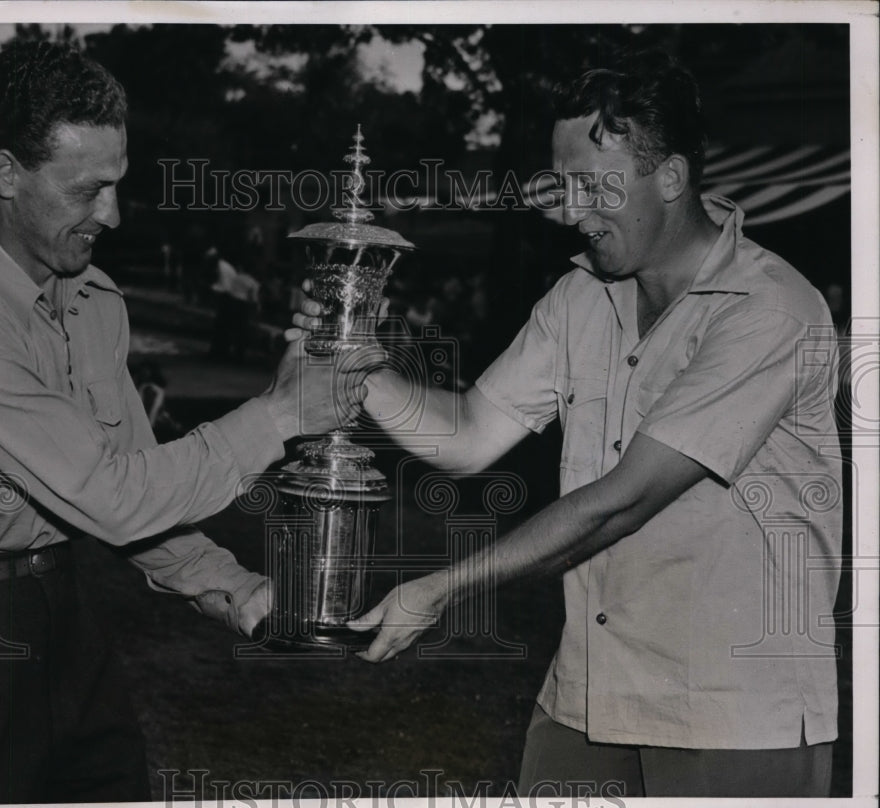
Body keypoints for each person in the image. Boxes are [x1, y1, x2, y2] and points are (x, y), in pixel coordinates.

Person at [292, 50, 842, 798]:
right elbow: (467, 434)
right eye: (561, 182)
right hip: (587, 696)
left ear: (671, 178)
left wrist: (440, 590)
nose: (570, 209)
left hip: (734, 712)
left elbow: (623, 500)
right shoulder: (580, 297)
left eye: (592, 186)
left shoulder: (770, 307)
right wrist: (354, 359)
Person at [0, 42, 366, 805]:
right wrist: (278, 413)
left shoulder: (93, 299)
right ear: (8, 175)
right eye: (88, 190)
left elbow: (139, 482)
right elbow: (109, 494)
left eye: (117, 184)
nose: (111, 213)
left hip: (67, 615)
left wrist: (235, 591)